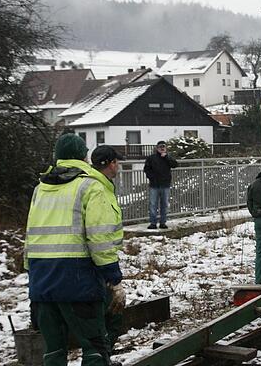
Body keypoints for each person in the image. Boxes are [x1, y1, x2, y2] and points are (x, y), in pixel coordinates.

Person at [25, 135, 126, 366]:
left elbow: (29, 238)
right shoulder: (90, 186)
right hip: (78, 281)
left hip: (42, 281)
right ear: (83, 156)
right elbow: (100, 240)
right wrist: (113, 277)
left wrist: (32, 280)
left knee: (53, 352)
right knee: (94, 349)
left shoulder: (41, 188)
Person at [143, 140, 178, 229]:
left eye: (163, 147)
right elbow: (146, 169)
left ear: (166, 148)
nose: (162, 148)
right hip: (154, 185)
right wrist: (152, 178)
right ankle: (153, 223)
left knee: (164, 205)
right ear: (157, 148)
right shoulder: (151, 158)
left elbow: (175, 165)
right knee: (153, 204)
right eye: (160, 147)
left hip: (165, 185)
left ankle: (163, 222)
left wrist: (166, 157)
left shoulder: (168, 157)